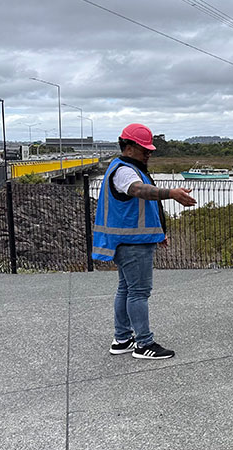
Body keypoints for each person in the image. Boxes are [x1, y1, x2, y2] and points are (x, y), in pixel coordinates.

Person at [92, 123, 197, 360]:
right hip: (132, 244)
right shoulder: (125, 171)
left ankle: (122, 339)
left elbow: (141, 208)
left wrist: (158, 234)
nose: (148, 153)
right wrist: (171, 193)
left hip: (131, 241)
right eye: (144, 149)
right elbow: (138, 191)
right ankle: (143, 343)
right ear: (128, 147)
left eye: (150, 150)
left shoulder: (124, 167)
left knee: (126, 289)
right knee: (138, 292)